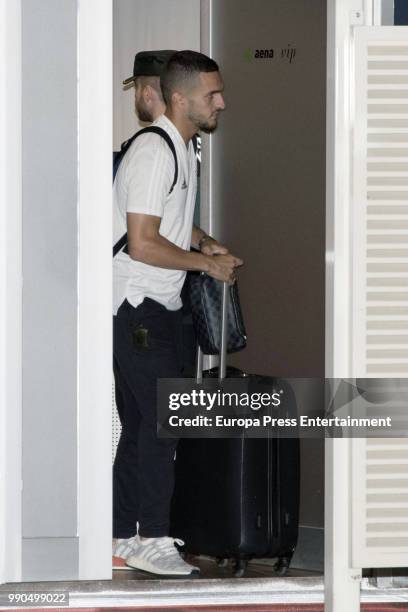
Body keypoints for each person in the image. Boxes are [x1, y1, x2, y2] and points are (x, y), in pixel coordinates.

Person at [112, 50, 243, 576]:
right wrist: (205, 268)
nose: (222, 102)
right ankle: (154, 537)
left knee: (144, 424)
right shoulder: (153, 152)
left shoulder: (181, 149)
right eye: (213, 94)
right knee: (162, 426)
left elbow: (167, 222)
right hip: (138, 307)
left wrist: (206, 244)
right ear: (179, 98)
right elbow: (142, 244)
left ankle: (122, 536)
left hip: (153, 308)